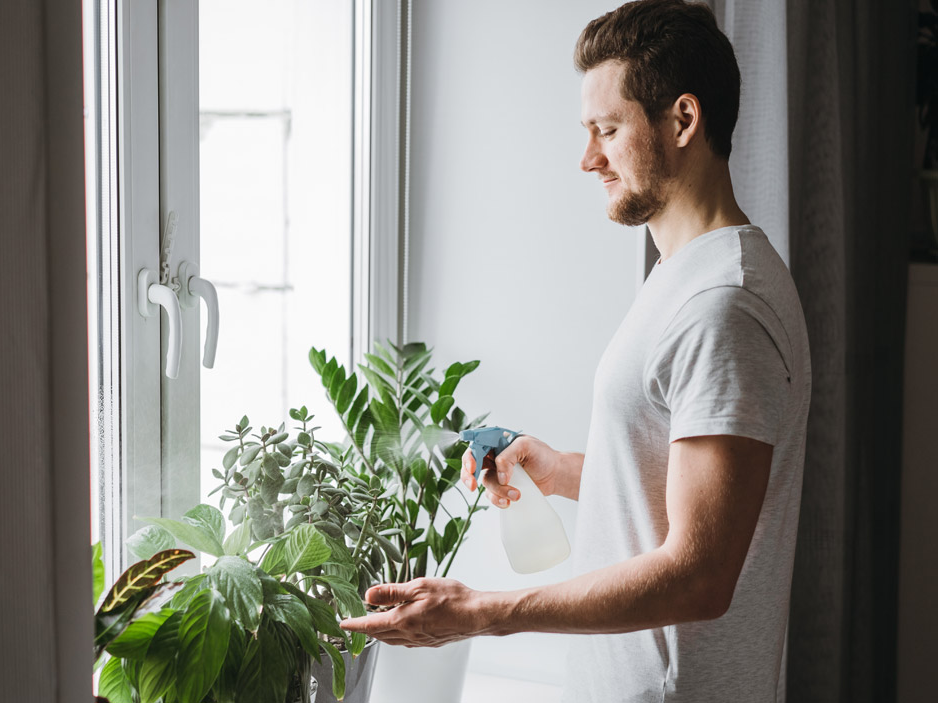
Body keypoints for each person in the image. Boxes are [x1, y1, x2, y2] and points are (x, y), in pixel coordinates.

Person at [340, 1, 811, 700]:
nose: (587, 158)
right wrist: (560, 472)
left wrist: (484, 612)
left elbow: (700, 573)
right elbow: (685, 485)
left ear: (682, 120)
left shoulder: (723, 306)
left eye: (607, 130)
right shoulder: (685, 276)